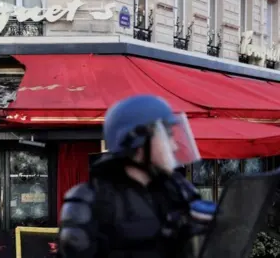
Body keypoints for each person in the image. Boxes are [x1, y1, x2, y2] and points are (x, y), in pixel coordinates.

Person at [58, 95, 216, 258]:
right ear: (138, 142)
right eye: (166, 134)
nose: (174, 146)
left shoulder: (178, 190)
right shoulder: (90, 200)